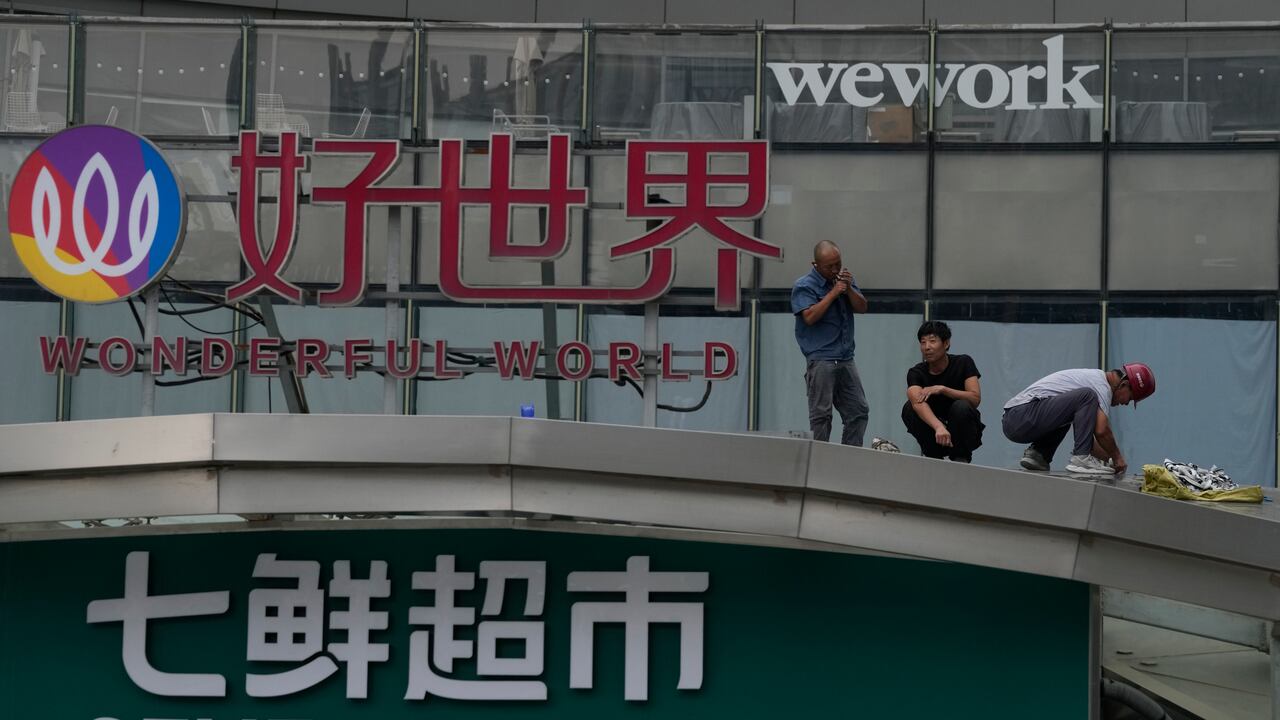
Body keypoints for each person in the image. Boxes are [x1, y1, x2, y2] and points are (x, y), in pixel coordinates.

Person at [1002, 363, 1156, 475]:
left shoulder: (1095, 381)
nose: (1125, 403)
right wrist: (1117, 457)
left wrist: (1110, 461)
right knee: (1086, 396)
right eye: (1130, 398)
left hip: (1017, 420)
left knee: (1069, 415)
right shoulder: (1100, 386)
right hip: (1019, 415)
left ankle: (1038, 455)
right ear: (1124, 384)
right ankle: (1080, 458)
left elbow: (1088, 439)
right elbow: (1101, 431)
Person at [791, 240, 869, 446]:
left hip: (846, 358)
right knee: (821, 416)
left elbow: (862, 307)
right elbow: (809, 316)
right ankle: (819, 461)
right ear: (815, 264)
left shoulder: (845, 280)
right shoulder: (804, 285)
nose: (835, 269)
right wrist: (833, 293)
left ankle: (849, 458)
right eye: (829, 266)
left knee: (858, 411)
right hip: (821, 359)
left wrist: (849, 289)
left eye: (838, 263)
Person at [900, 320, 983, 463]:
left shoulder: (963, 362)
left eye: (932, 341)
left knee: (961, 406)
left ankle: (960, 459)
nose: (927, 347)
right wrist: (939, 427)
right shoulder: (916, 372)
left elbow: (975, 398)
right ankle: (933, 458)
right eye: (923, 342)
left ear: (946, 344)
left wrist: (943, 389)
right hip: (935, 433)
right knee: (909, 408)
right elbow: (916, 401)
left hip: (964, 433)